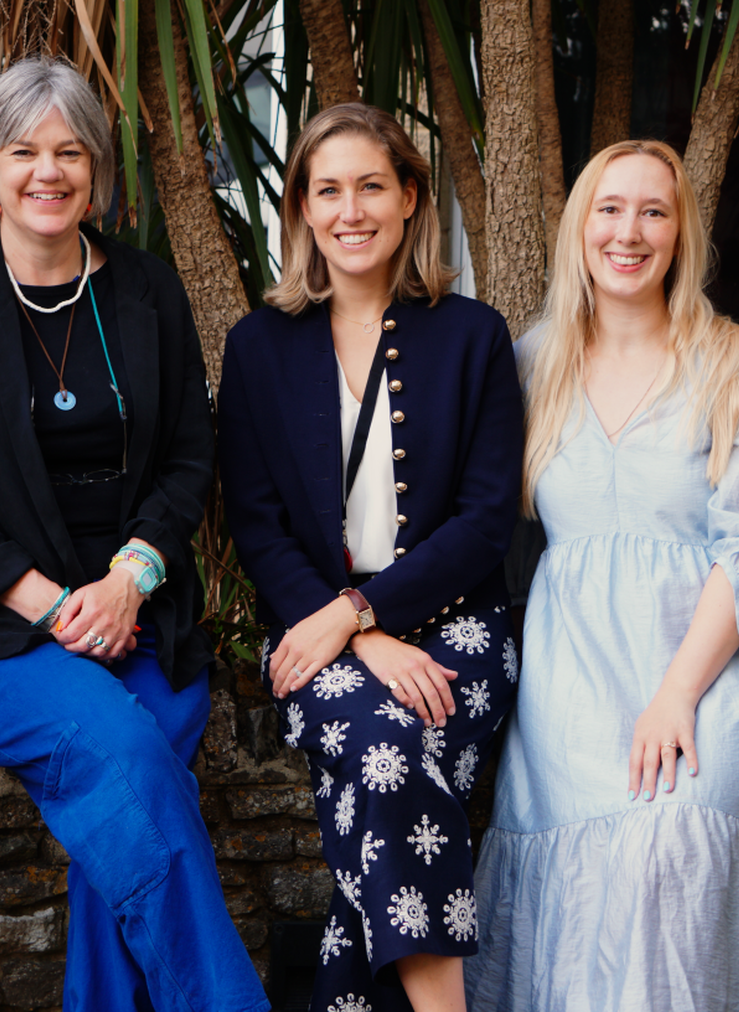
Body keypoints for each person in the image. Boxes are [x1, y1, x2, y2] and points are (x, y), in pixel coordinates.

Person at [465, 140, 739, 1011]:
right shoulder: (527, 364)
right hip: (580, 659)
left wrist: (675, 696)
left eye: (654, 212)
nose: (630, 231)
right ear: (579, 227)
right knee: (597, 830)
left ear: (682, 234)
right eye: (610, 209)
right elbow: (466, 509)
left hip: (722, 657)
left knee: (674, 835)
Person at [0, 56, 269, 1012]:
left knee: (125, 802)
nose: (47, 172)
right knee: (131, 760)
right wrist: (55, 606)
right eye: (23, 151)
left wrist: (129, 580)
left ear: (95, 168)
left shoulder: (146, 290)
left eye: (69, 151)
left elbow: (187, 456)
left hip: (139, 611)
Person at [218, 103, 523, 1012]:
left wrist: (364, 613)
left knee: (379, 787)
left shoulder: (473, 336)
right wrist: (355, 633)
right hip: (318, 632)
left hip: (460, 625)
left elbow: (485, 521)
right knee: (389, 751)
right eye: (329, 190)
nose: (351, 211)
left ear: (410, 198)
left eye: (372, 187)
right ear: (304, 210)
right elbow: (258, 524)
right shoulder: (258, 346)